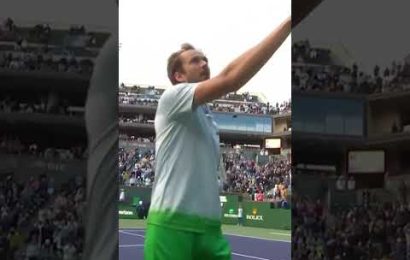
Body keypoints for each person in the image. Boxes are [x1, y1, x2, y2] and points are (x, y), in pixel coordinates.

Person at [144, 16, 291, 260]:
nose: (204, 63)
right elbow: (230, 79)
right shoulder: (172, 97)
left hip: (210, 229)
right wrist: (288, 24)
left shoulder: (207, 118)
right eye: (195, 61)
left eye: (205, 59)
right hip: (172, 226)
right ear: (178, 75)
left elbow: (227, 75)